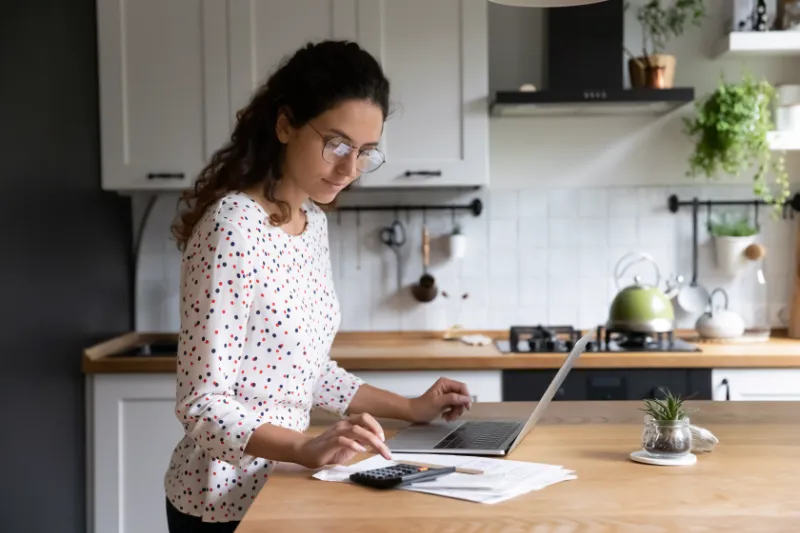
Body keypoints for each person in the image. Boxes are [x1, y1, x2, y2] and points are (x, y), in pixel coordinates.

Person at [164, 39, 473, 532]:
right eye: (337, 145)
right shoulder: (232, 227)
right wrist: (305, 447)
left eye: (365, 152)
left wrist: (412, 408)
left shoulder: (311, 222)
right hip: (222, 502)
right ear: (285, 125)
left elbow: (307, 372)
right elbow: (202, 406)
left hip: (287, 484)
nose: (350, 169)